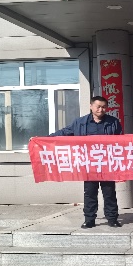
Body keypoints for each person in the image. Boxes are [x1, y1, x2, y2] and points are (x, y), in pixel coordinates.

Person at [50, 96, 123, 229]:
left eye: (104, 107)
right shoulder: (80, 122)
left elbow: (122, 141)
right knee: (90, 193)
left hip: (107, 163)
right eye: (98, 106)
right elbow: (64, 132)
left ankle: (112, 219)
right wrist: (44, 138)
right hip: (88, 164)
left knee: (109, 192)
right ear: (91, 106)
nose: (101, 109)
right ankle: (89, 219)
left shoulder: (113, 122)